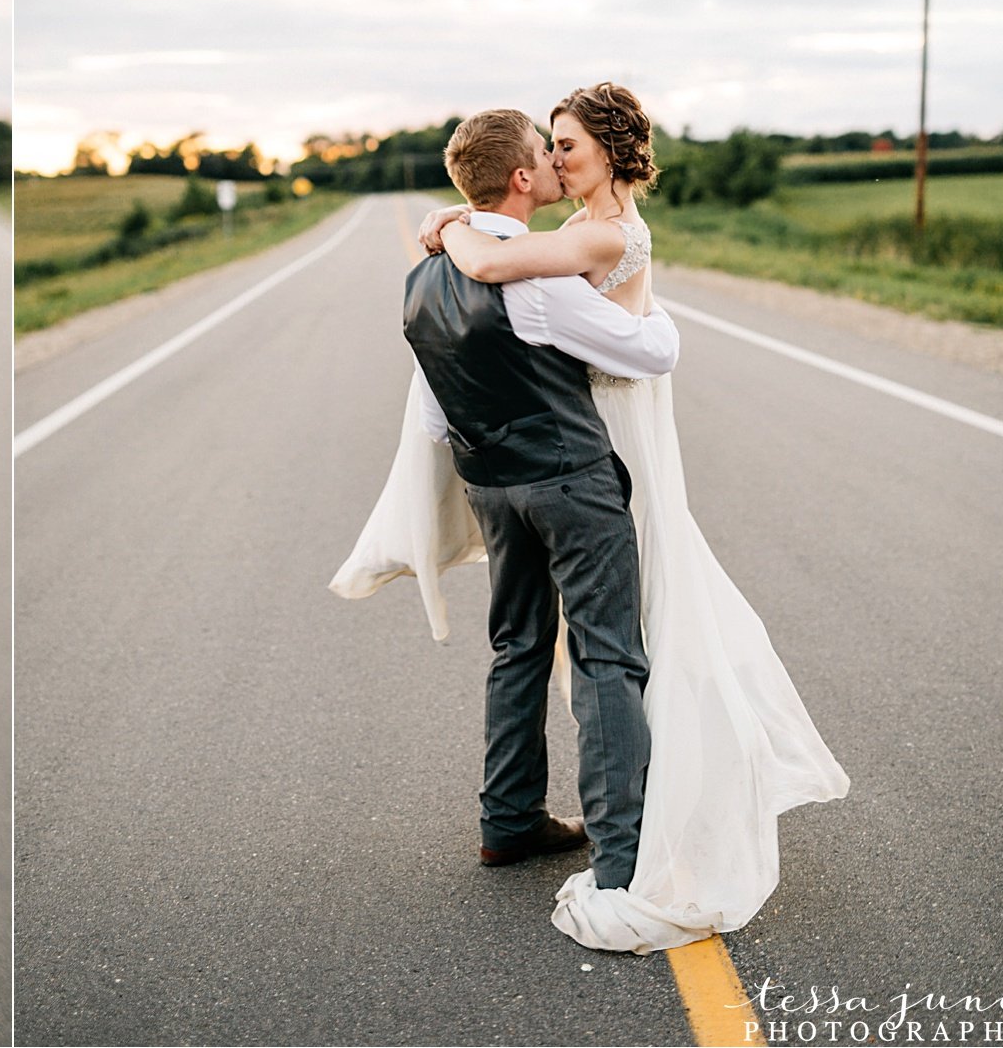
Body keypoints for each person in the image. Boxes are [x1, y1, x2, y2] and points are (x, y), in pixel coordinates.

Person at [341, 86, 849, 954]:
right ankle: (621, 857)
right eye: (548, 147)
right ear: (518, 174)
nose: (556, 157)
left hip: (495, 481)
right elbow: (648, 348)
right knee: (613, 654)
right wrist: (656, 320)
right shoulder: (537, 271)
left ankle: (508, 817)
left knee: (521, 643)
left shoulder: (441, 268)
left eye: (567, 143)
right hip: (576, 474)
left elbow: (432, 407)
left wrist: (452, 224)